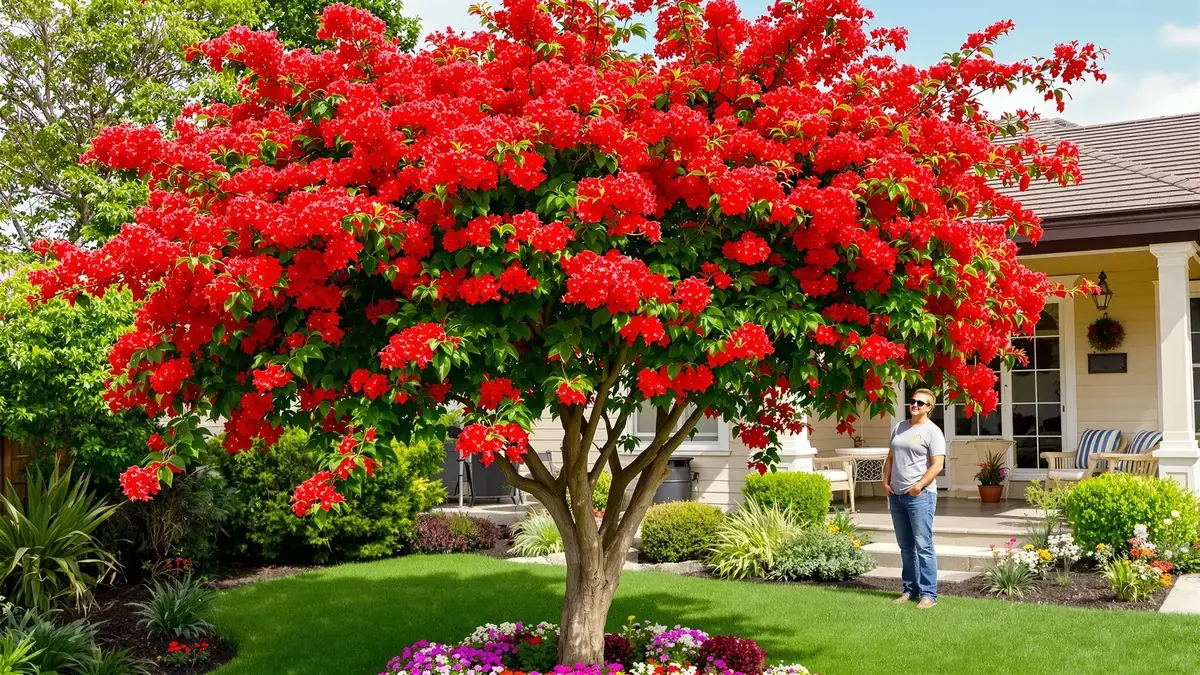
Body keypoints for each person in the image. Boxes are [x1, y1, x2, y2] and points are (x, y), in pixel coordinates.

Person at [882, 388, 945, 609]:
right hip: (897, 495)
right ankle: (910, 590)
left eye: (920, 403)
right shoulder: (900, 427)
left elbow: (938, 465)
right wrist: (885, 481)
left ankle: (929, 595)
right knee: (906, 547)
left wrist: (919, 486)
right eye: (913, 401)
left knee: (923, 545)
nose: (915, 405)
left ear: (929, 407)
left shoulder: (933, 431)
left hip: (921, 496)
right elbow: (890, 457)